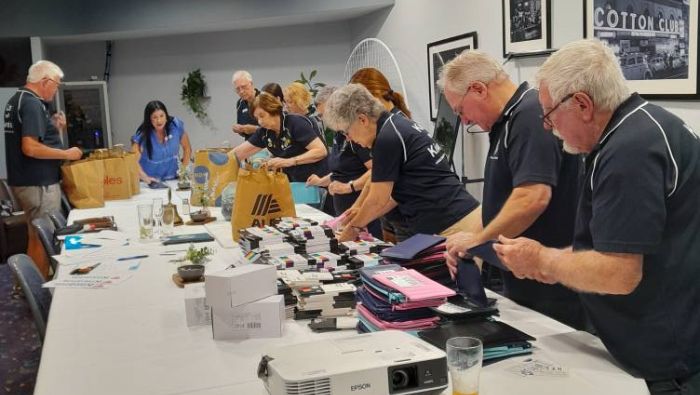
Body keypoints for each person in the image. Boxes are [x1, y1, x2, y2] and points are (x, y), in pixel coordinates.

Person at [493, 39, 700, 392]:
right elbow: (615, 244)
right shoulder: (644, 125)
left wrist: (542, 259)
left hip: (667, 360)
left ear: (583, 105)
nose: (547, 126)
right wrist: (555, 262)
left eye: (549, 114)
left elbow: (620, 273)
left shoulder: (629, 152)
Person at [438, 50, 585, 329]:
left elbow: (533, 196)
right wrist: (475, 239)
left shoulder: (529, 115)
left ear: (478, 89)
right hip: (522, 275)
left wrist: (479, 239)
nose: (465, 121)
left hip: (548, 283)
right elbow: (506, 197)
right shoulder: (507, 120)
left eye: (460, 110)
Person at [324, 84, 481, 243]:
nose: (348, 139)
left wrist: (353, 228)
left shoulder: (387, 138)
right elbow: (389, 194)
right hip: (453, 219)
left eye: (346, 131)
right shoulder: (393, 125)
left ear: (362, 119)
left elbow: (378, 199)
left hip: (454, 224)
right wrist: (359, 215)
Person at [3, 60, 83, 278]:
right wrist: (66, 154)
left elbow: (37, 141)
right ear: (45, 81)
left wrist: (55, 129)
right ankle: (39, 288)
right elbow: (30, 147)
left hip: (26, 180)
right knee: (42, 237)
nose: (56, 89)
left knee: (34, 235)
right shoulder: (31, 104)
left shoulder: (16, 100)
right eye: (56, 84)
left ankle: (27, 285)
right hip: (38, 183)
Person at [345, 67, 413, 242]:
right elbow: (376, 176)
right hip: (394, 218)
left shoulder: (391, 130)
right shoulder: (384, 127)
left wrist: (355, 225)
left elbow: (379, 198)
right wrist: (358, 207)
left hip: (409, 219)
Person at [306, 86, 381, 237]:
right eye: (321, 116)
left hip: (365, 214)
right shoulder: (339, 134)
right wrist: (321, 181)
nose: (324, 120)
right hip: (347, 211)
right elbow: (341, 171)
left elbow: (377, 171)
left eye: (324, 114)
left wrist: (348, 188)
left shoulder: (356, 135)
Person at [230, 92, 328, 182]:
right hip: (298, 182)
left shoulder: (296, 123)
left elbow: (320, 151)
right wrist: (221, 161)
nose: (259, 121)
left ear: (273, 110)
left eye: (262, 116)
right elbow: (238, 153)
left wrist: (288, 162)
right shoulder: (264, 132)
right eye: (257, 118)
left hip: (320, 179)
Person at [131, 101, 192, 183]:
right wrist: (146, 178)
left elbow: (187, 148)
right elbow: (132, 161)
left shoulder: (175, 126)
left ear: (166, 116)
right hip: (149, 183)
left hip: (173, 180)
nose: (159, 121)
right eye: (154, 117)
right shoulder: (143, 135)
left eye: (162, 116)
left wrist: (183, 172)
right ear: (149, 120)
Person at [231, 70, 260, 139]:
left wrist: (255, 129)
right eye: (237, 89)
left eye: (244, 87)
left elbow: (275, 128)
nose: (241, 91)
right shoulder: (240, 103)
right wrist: (239, 130)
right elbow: (244, 133)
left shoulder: (265, 99)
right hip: (250, 143)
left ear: (251, 84)